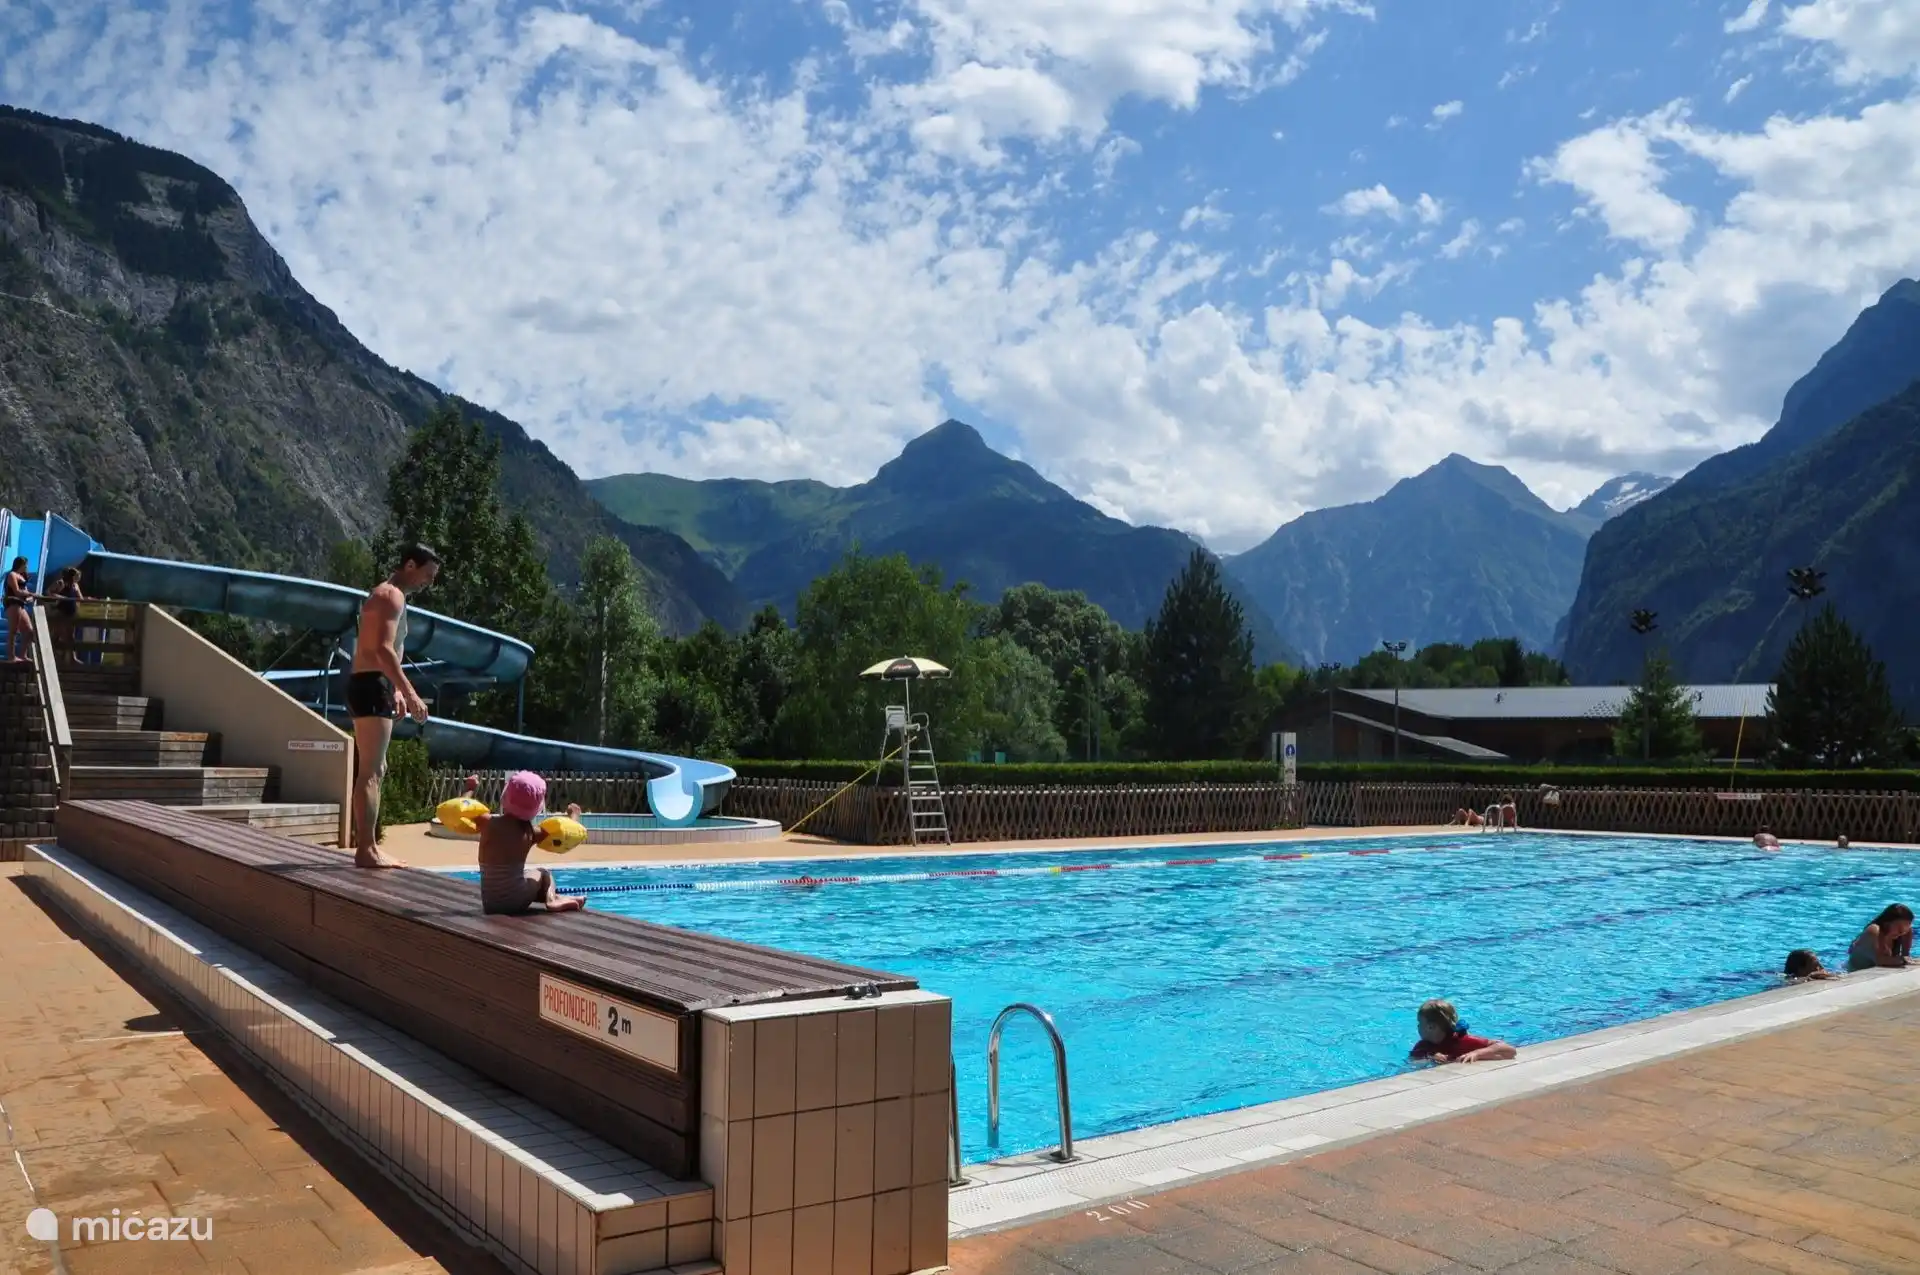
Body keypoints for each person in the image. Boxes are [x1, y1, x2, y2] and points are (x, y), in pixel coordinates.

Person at [347, 544, 440, 869]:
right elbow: (384, 650)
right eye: (427, 574)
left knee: (376, 768)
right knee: (371, 772)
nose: (429, 582)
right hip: (372, 684)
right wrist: (411, 693)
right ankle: (367, 849)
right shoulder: (392, 596)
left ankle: (367, 846)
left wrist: (396, 691)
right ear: (410, 565)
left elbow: (379, 649)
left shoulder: (384, 594)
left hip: (370, 682)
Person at [469, 772, 586, 915]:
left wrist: (469, 788)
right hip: (517, 901)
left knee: (524, 877)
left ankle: (557, 897)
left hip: (490, 904)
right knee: (543, 873)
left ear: (505, 797)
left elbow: (461, 808)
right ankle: (552, 899)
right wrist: (573, 815)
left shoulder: (488, 823)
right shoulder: (529, 832)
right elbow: (566, 832)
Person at [1408, 999, 1516, 1064]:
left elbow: (1510, 1050)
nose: (1418, 1027)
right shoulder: (1423, 1046)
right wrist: (1431, 1058)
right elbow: (1413, 1062)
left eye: (1419, 1023)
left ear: (1431, 1027)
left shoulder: (1462, 1040)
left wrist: (1477, 1053)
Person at [1846, 904, 1914, 972]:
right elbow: (1880, 960)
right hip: (1855, 970)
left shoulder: (1906, 932)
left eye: (1906, 926)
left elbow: (1906, 956)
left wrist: (1904, 959)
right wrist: (1903, 960)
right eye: (1898, 926)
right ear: (1886, 923)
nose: (1901, 931)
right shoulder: (1874, 930)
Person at [46, 567, 84, 664]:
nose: (78, 578)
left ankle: (71, 658)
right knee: (56, 635)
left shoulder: (75, 585)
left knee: (70, 636)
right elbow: (49, 592)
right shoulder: (60, 583)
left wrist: (84, 599)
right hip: (61, 611)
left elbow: (80, 597)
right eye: (77, 576)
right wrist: (62, 597)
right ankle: (50, 655)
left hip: (71, 612)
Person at [4, 556, 36, 663]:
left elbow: (25, 593)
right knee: (13, 630)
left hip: (21, 604)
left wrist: (31, 597)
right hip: (13, 603)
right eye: (25, 565)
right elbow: (17, 591)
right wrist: (30, 593)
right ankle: (11, 656)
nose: (27, 567)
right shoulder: (12, 575)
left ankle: (23, 655)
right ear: (20, 564)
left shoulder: (22, 576)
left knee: (29, 631)